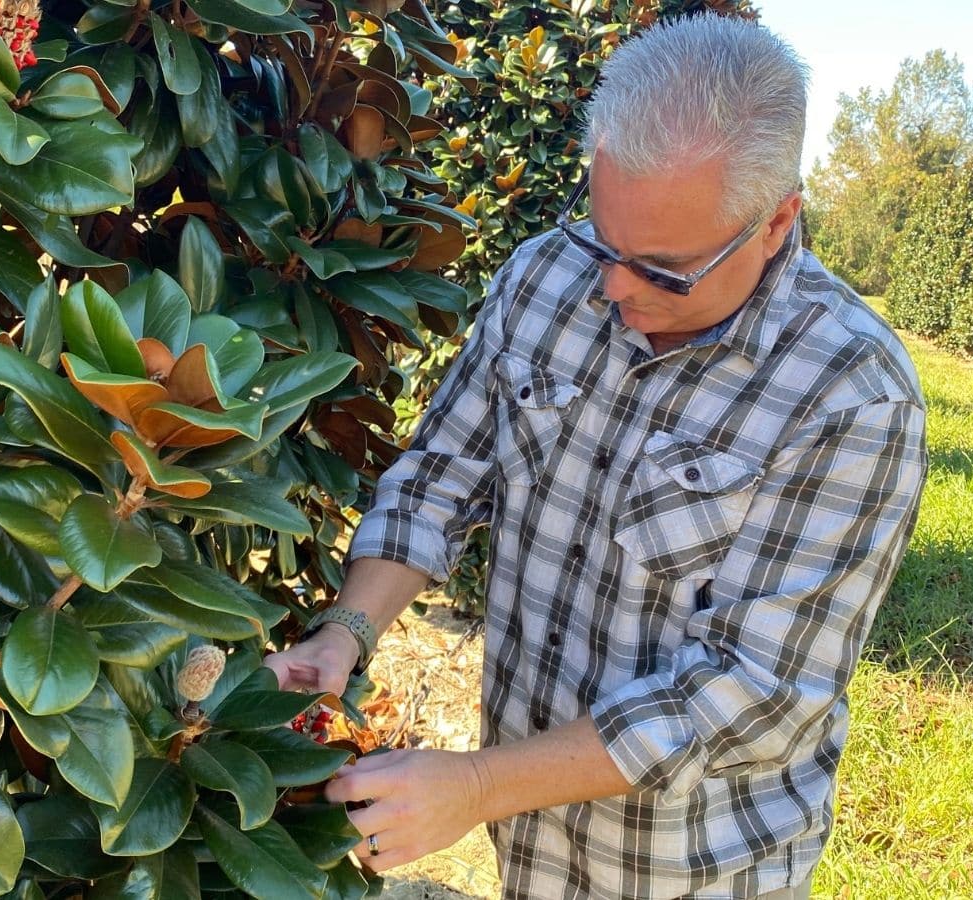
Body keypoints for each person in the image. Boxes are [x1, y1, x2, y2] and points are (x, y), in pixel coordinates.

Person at [265, 13, 927, 899]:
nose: (614, 288)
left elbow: (751, 691)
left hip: (695, 867)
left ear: (775, 223)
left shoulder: (853, 395)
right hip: (529, 845)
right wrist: (346, 632)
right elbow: (440, 477)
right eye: (605, 241)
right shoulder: (547, 277)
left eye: (664, 270)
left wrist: (478, 784)